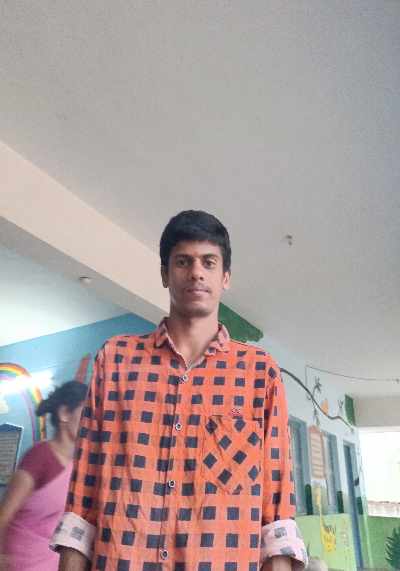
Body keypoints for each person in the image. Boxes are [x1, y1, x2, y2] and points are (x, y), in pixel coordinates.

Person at [53, 210, 308, 571]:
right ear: (164, 274)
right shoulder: (117, 359)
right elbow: (83, 494)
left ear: (225, 277)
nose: (196, 272)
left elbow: (277, 514)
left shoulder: (259, 373)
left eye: (209, 262)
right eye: (183, 261)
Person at [0, 380, 87, 571]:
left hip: (52, 562)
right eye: (85, 413)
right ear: (64, 414)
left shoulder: (79, 464)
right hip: (20, 562)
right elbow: (4, 514)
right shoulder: (40, 457)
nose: (90, 422)